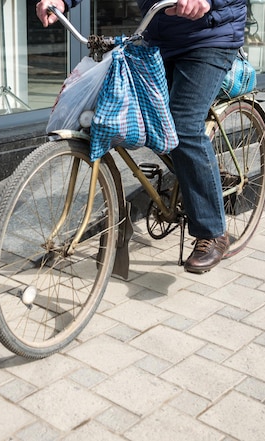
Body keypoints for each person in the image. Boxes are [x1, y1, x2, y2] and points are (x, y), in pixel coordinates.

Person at [35, 0, 246, 273]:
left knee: (183, 126)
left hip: (208, 38)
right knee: (145, 117)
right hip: (158, 36)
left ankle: (213, 231)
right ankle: (200, 176)